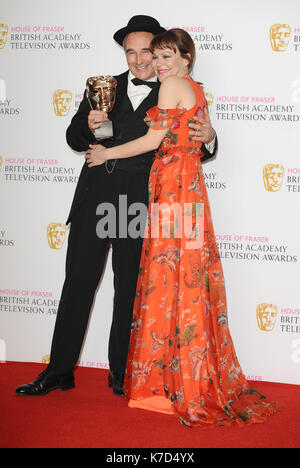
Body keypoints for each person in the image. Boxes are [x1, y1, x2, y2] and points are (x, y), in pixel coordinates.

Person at [85, 28, 280, 427]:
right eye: (155, 57)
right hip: (187, 191)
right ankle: (183, 376)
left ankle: (164, 383)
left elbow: (152, 139)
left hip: (174, 191)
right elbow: (190, 135)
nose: (158, 65)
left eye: (166, 56)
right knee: (185, 278)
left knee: (168, 278)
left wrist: (107, 150)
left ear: (186, 59)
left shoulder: (172, 84)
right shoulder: (195, 87)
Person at [15, 16, 217, 398]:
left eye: (147, 51)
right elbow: (75, 138)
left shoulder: (173, 84)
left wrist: (210, 136)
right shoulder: (102, 86)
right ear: (122, 53)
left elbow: (191, 141)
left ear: (161, 51)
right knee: (77, 284)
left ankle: (122, 374)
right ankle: (59, 370)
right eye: (131, 51)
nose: (140, 60)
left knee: (129, 289)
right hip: (96, 195)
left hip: (139, 201)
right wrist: (91, 124)